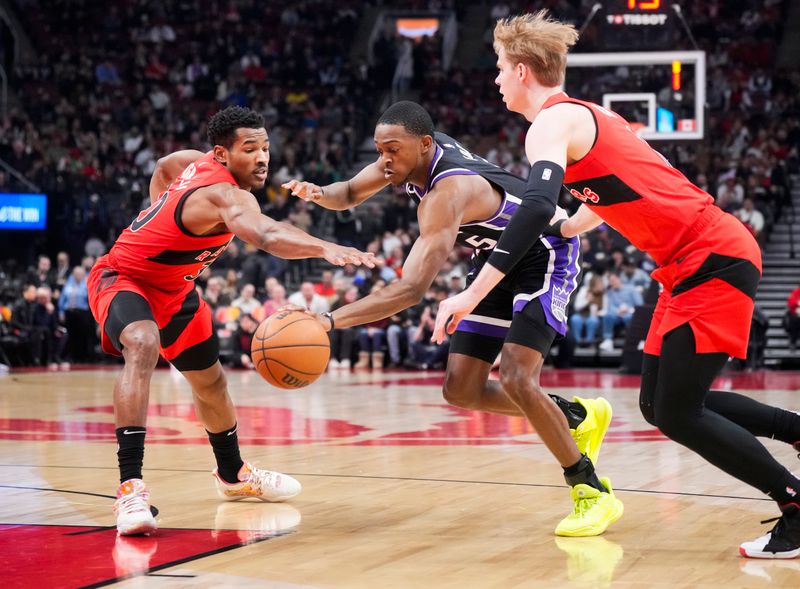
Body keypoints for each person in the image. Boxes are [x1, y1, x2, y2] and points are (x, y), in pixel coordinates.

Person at [432, 11, 800, 558]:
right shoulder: (591, 118)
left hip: (710, 254)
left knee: (678, 412)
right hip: (690, 260)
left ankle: (793, 503)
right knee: (661, 405)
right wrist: (568, 224)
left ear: (524, 71)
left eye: (500, 68)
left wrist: (471, 292)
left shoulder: (551, 125)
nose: (496, 78)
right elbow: (612, 194)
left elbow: (534, 206)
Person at [283, 100, 620, 536]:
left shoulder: (447, 193)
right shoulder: (407, 157)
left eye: (393, 151)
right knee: (462, 389)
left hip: (544, 251)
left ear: (424, 144)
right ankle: (575, 416)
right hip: (494, 257)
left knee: (518, 376)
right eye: (380, 150)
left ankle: (591, 491)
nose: (385, 160)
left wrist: (327, 321)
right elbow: (347, 193)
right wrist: (316, 192)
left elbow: (410, 290)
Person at [87, 105, 375, 536]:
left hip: (177, 291)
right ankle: (130, 487)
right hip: (123, 278)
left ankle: (233, 475)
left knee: (211, 382)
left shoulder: (191, 163)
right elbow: (267, 235)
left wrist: (162, 214)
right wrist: (323, 248)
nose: (262, 158)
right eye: (250, 149)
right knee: (144, 342)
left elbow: (166, 167)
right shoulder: (226, 195)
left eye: (265, 148)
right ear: (222, 155)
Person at [785, 284, 800, 352]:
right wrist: (797, 303)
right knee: (794, 322)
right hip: (795, 315)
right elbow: (790, 302)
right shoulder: (796, 292)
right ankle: (792, 342)